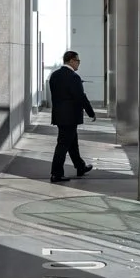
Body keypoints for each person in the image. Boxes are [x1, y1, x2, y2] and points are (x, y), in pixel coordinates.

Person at [47, 51, 96, 183]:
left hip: (59, 116)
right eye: (78, 61)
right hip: (70, 117)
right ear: (71, 61)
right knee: (63, 145)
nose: (79, 63)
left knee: (72, 143)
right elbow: (80, 97)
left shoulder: (54, 75)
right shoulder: (74, 77)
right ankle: (56, 174)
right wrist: (91, 112)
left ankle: (80, 166)